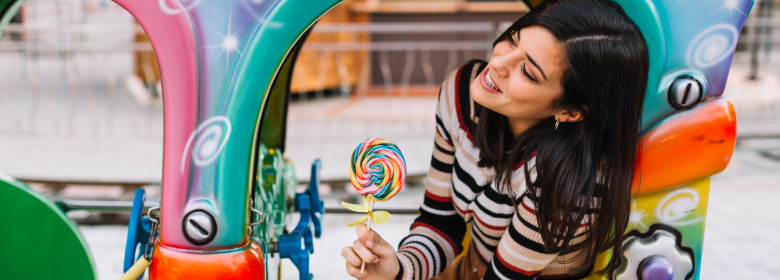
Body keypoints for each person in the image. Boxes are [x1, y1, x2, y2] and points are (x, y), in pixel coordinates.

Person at [341, 0, 649, 279]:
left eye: (527, 71)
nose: (498, 64)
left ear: (568, 110)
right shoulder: (461, 93)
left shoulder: (574, 186)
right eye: (512, 39)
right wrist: (400, 269)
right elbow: (440, 222)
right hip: (468, 268)